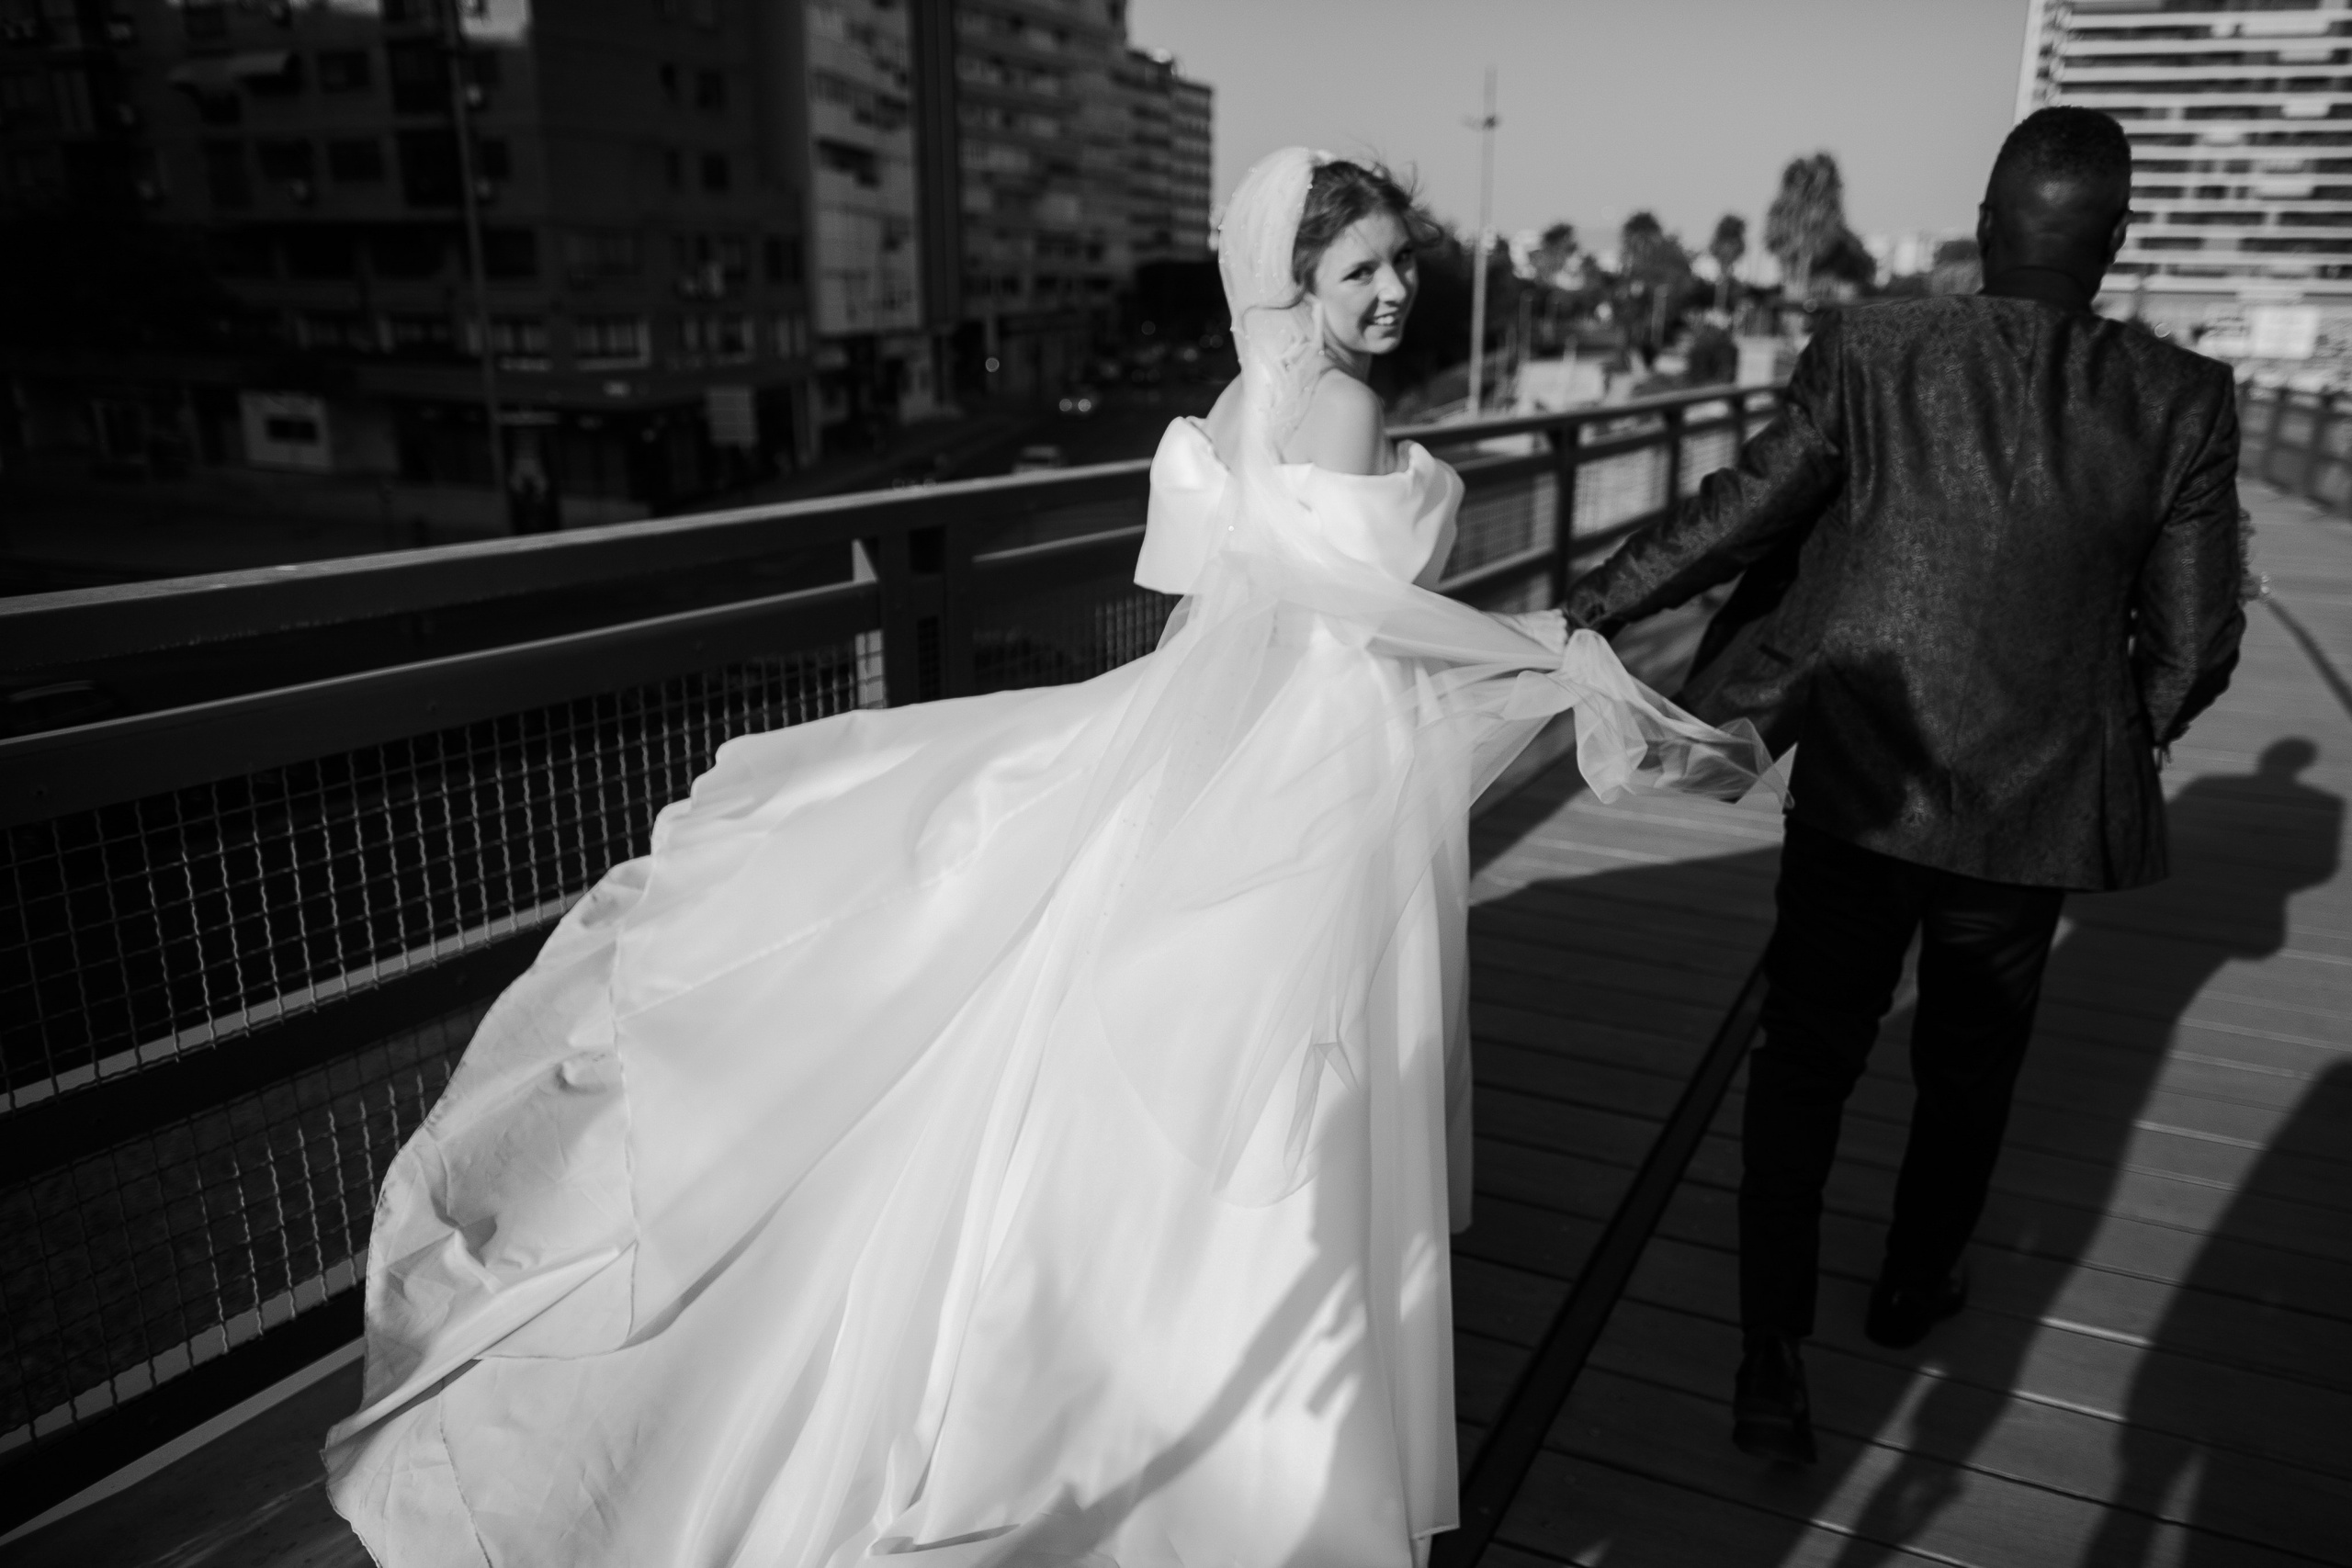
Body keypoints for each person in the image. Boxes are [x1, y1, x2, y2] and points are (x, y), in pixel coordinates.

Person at [321, 148, 1778, 1567]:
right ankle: (1251, 1416)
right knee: (1297, 1061)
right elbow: (1366, 614)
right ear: (1297, 279)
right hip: (1322, 762)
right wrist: (1537, 644)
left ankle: (1147, 1355)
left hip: (1265, 740)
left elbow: (1228, 588)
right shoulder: (1338, 408)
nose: (1396, 288)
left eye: (1402, 260)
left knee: (1221, 1055)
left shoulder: (1247, 395)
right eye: (1363, 268)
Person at [1563, 106, 2248, 1464]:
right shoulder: (2180, 401)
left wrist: (1587, 605)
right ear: (2110, 246)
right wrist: (2116, 731)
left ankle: (1770, 1352)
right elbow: (2197, 644)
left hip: (1864, 782)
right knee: (1968, 1069)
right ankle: (1912, 1281)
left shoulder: (1877, 350)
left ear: (1985, 233)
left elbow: (1736, 515)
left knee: (1805, 1058)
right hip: (2039, 804)